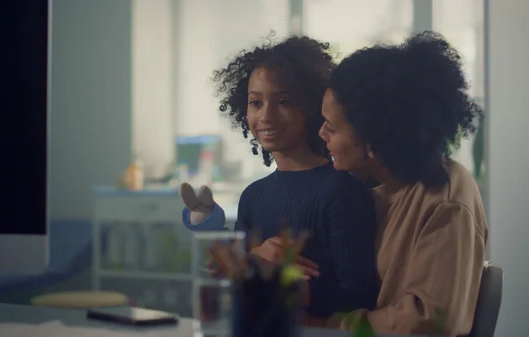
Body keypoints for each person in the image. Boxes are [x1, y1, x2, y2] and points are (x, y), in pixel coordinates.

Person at [180, 35, 380, 318]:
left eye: (283, 101)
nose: (266, 116)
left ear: (311, 106)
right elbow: (240, 281)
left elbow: (358, 297)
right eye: (256, 102)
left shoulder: (343, 191)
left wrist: (269, 275)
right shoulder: (253, 196)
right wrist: (239, 264)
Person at [310, 31, 487, 336]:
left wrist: (330, 327)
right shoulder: (355, 188)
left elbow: (429, 320)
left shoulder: (445, 198)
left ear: (374, 137)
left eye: (332, 127)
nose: (321, 134)